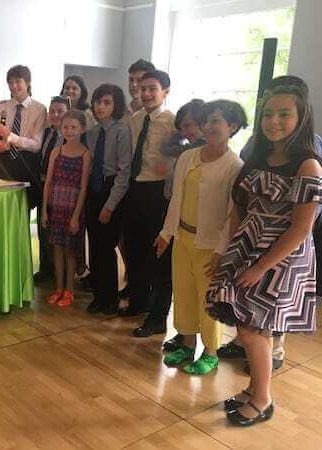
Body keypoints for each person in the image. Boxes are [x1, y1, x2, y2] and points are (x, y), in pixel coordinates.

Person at [208, 85, 321, 426]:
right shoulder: (257, 156)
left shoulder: (308, 166)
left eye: (284, 114)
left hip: (280, 255)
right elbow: (239, 210)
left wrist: (260, 267)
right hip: (247, 245)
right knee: (250, 328)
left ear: (301, 118)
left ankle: (262, 399)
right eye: (268, 114)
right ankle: (256, 388)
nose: (274, 121)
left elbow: (301, 228)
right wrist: (230, 254)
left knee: (254, 329)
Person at [154, 100, 247, 375]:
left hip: (210, 246)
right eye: (205, 121)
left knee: (208, 299)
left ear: (232, 126)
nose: (208, 126)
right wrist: (166, 233)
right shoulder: (187, 157)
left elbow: (232, 214)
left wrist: (222, 250)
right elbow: (177, 201)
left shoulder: (235, 166)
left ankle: (211, 351)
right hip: (182, 238)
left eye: (215, 121)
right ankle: (186, 342)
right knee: (182, 293)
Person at [118, 70, 176, 338]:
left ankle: (157, 315)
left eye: (152, 88)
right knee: (135, 248)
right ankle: (138, 302)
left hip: (159, 190)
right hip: (135, 186)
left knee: (157, 254)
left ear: (165, 90)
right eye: (142, 89)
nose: (146, 93)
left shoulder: (172, 121)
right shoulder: (135, 119)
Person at [160, 98, 206, 352]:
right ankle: (186, 335)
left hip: (197, 228)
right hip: (176, 217)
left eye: (191, 125)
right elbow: (166, 147)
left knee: (196, 287)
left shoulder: (203, 154)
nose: (186, 131)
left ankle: (203, 343)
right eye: (183, 127)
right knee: (182, 286)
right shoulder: (186, 150)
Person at [84, 84, 132, 315]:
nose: (100, 107)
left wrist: (110, 205)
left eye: (106, 102)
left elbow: (124, 172)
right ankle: (98, 296)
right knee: (93, 244)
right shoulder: (92, 132)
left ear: (116, 106)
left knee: (106, 246)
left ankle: (110, 298)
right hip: (94, 189)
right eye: (97, 102)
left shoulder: (122, 130)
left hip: (112, 189)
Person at [41, 109, 91, 306]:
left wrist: (76, 216)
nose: (69, 131)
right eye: (66, 127)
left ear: (82, 129)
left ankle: (70, 290)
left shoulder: (85, 154)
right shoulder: (56, 151)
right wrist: (45, 210)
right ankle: (59, 288)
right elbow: (48, 182)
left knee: (70, 251)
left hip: (72, 209)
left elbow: (84, 186)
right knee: (57, 250)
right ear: (61, 129)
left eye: (73, 127)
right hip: (56, 207)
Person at [0, 65, 47, 209]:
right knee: (2, 207)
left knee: (23, 209)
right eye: (10, 82)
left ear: (27, 82)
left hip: (27, 163)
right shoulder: (2, 107)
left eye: (18, 81)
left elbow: (36, 145)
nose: (14, 86)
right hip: (5, 162)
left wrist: (11, 137)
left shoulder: (39, 109)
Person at [35, 96, 69, 283]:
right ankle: (45, 269)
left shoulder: (70, 136)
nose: (55, 115)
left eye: (60, 111)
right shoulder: (47, 133)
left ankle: (61, 274)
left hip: (62, 190)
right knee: (44, 229)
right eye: (52, 111)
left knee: (59, 233)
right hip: (43, 186)